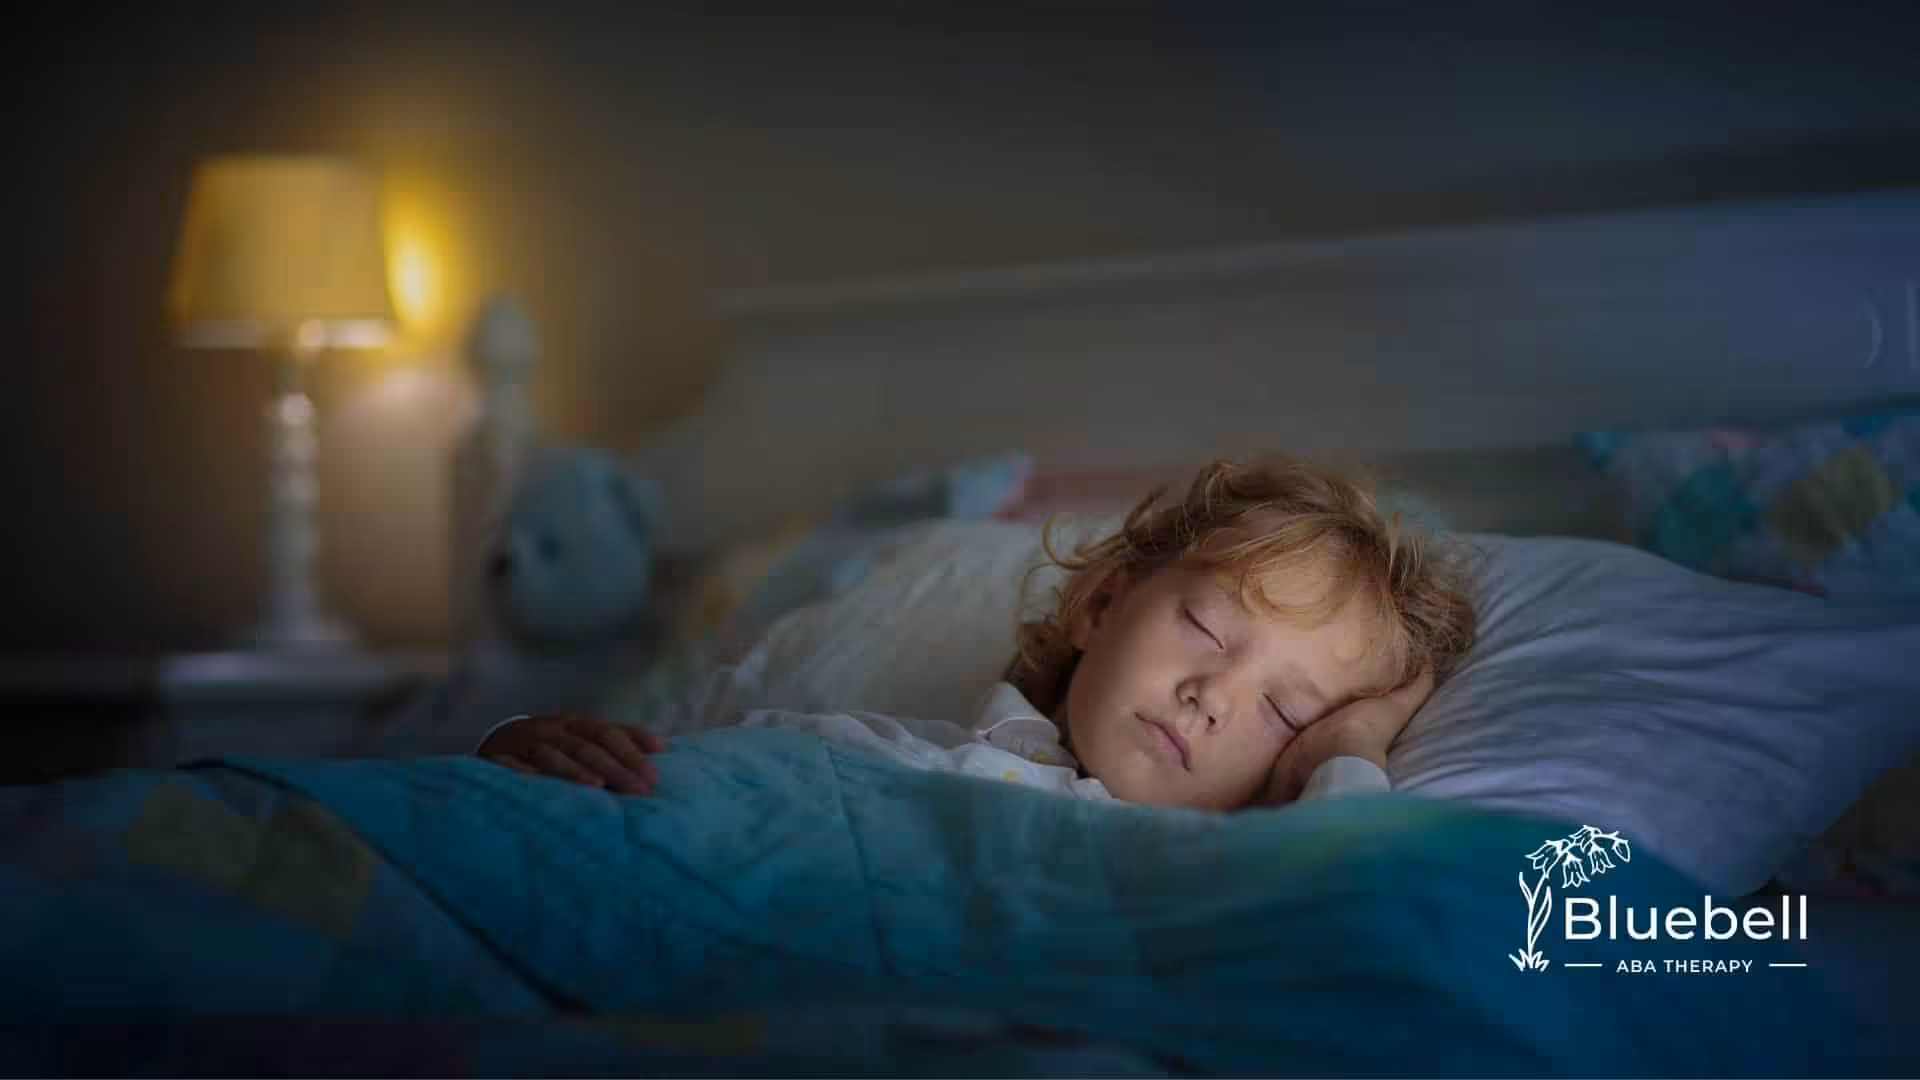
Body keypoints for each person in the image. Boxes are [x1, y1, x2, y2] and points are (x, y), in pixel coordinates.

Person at [478, 458, 1479, 809]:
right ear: (1101, 607)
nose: (1213, 695)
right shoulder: (876, 754)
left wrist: (1352, 749)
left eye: (1283, 708)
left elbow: (1364, 899)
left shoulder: (1243, 871)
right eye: (1208, 629)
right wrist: (515, 753)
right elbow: (659, 788)